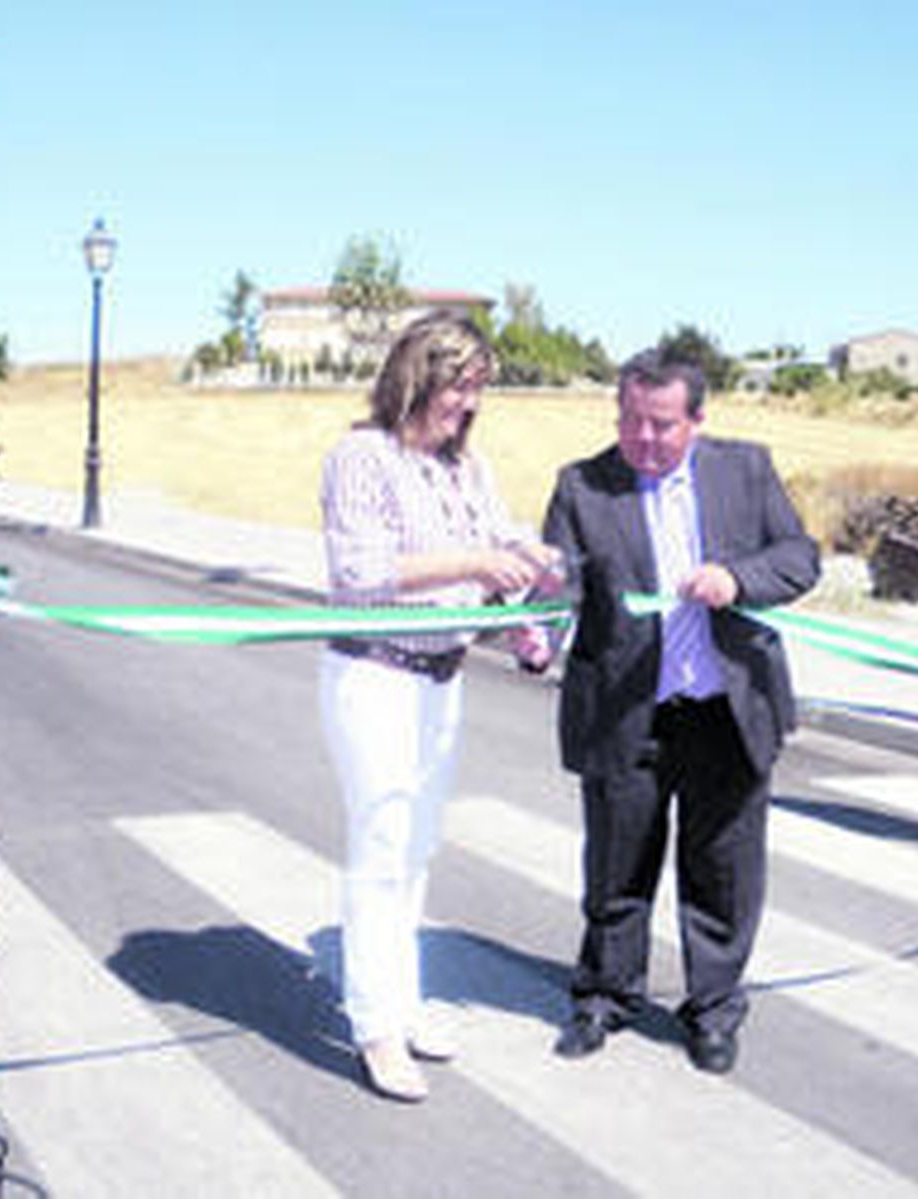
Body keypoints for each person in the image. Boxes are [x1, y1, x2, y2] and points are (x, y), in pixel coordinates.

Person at [532, 347, 820, 1075]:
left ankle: (714, 1009)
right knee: (615, 867)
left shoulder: (745, 469)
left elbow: (799, 556)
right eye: (630, 420)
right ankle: (604, 994)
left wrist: (738, 577)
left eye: (661, 424)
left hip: (726, 709)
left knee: (722, 871)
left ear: (696, 418)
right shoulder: (581, 485)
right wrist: (535, 626)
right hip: (626, 710)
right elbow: (557, 583)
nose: (644, 438)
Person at [318, 312, 559, 1103]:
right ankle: (373, 1024)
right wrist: (479, 559)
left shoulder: (468, 468)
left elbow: (495, 554)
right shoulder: (363, 457)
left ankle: (404, 998)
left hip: (443, 677)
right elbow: (360, 572)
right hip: (376, 676)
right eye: (460, 386)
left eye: (478, 390)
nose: (470, 404)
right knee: (381, 844)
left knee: (418, 849)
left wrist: (523, 595)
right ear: (418, 376)